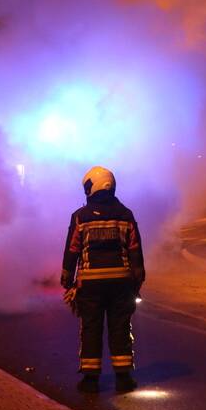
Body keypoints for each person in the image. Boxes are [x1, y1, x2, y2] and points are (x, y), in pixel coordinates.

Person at [61, 166, 145, 393]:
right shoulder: (126, 215)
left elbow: (72, 250)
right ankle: (123, 378)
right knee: (120, 327)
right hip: (121, 283)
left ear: (93, 186)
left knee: (91, 328)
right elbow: (135, 250)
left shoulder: (80, 217)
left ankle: (90, 380)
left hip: (90, 285)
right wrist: (137, 282)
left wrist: (67, 279)